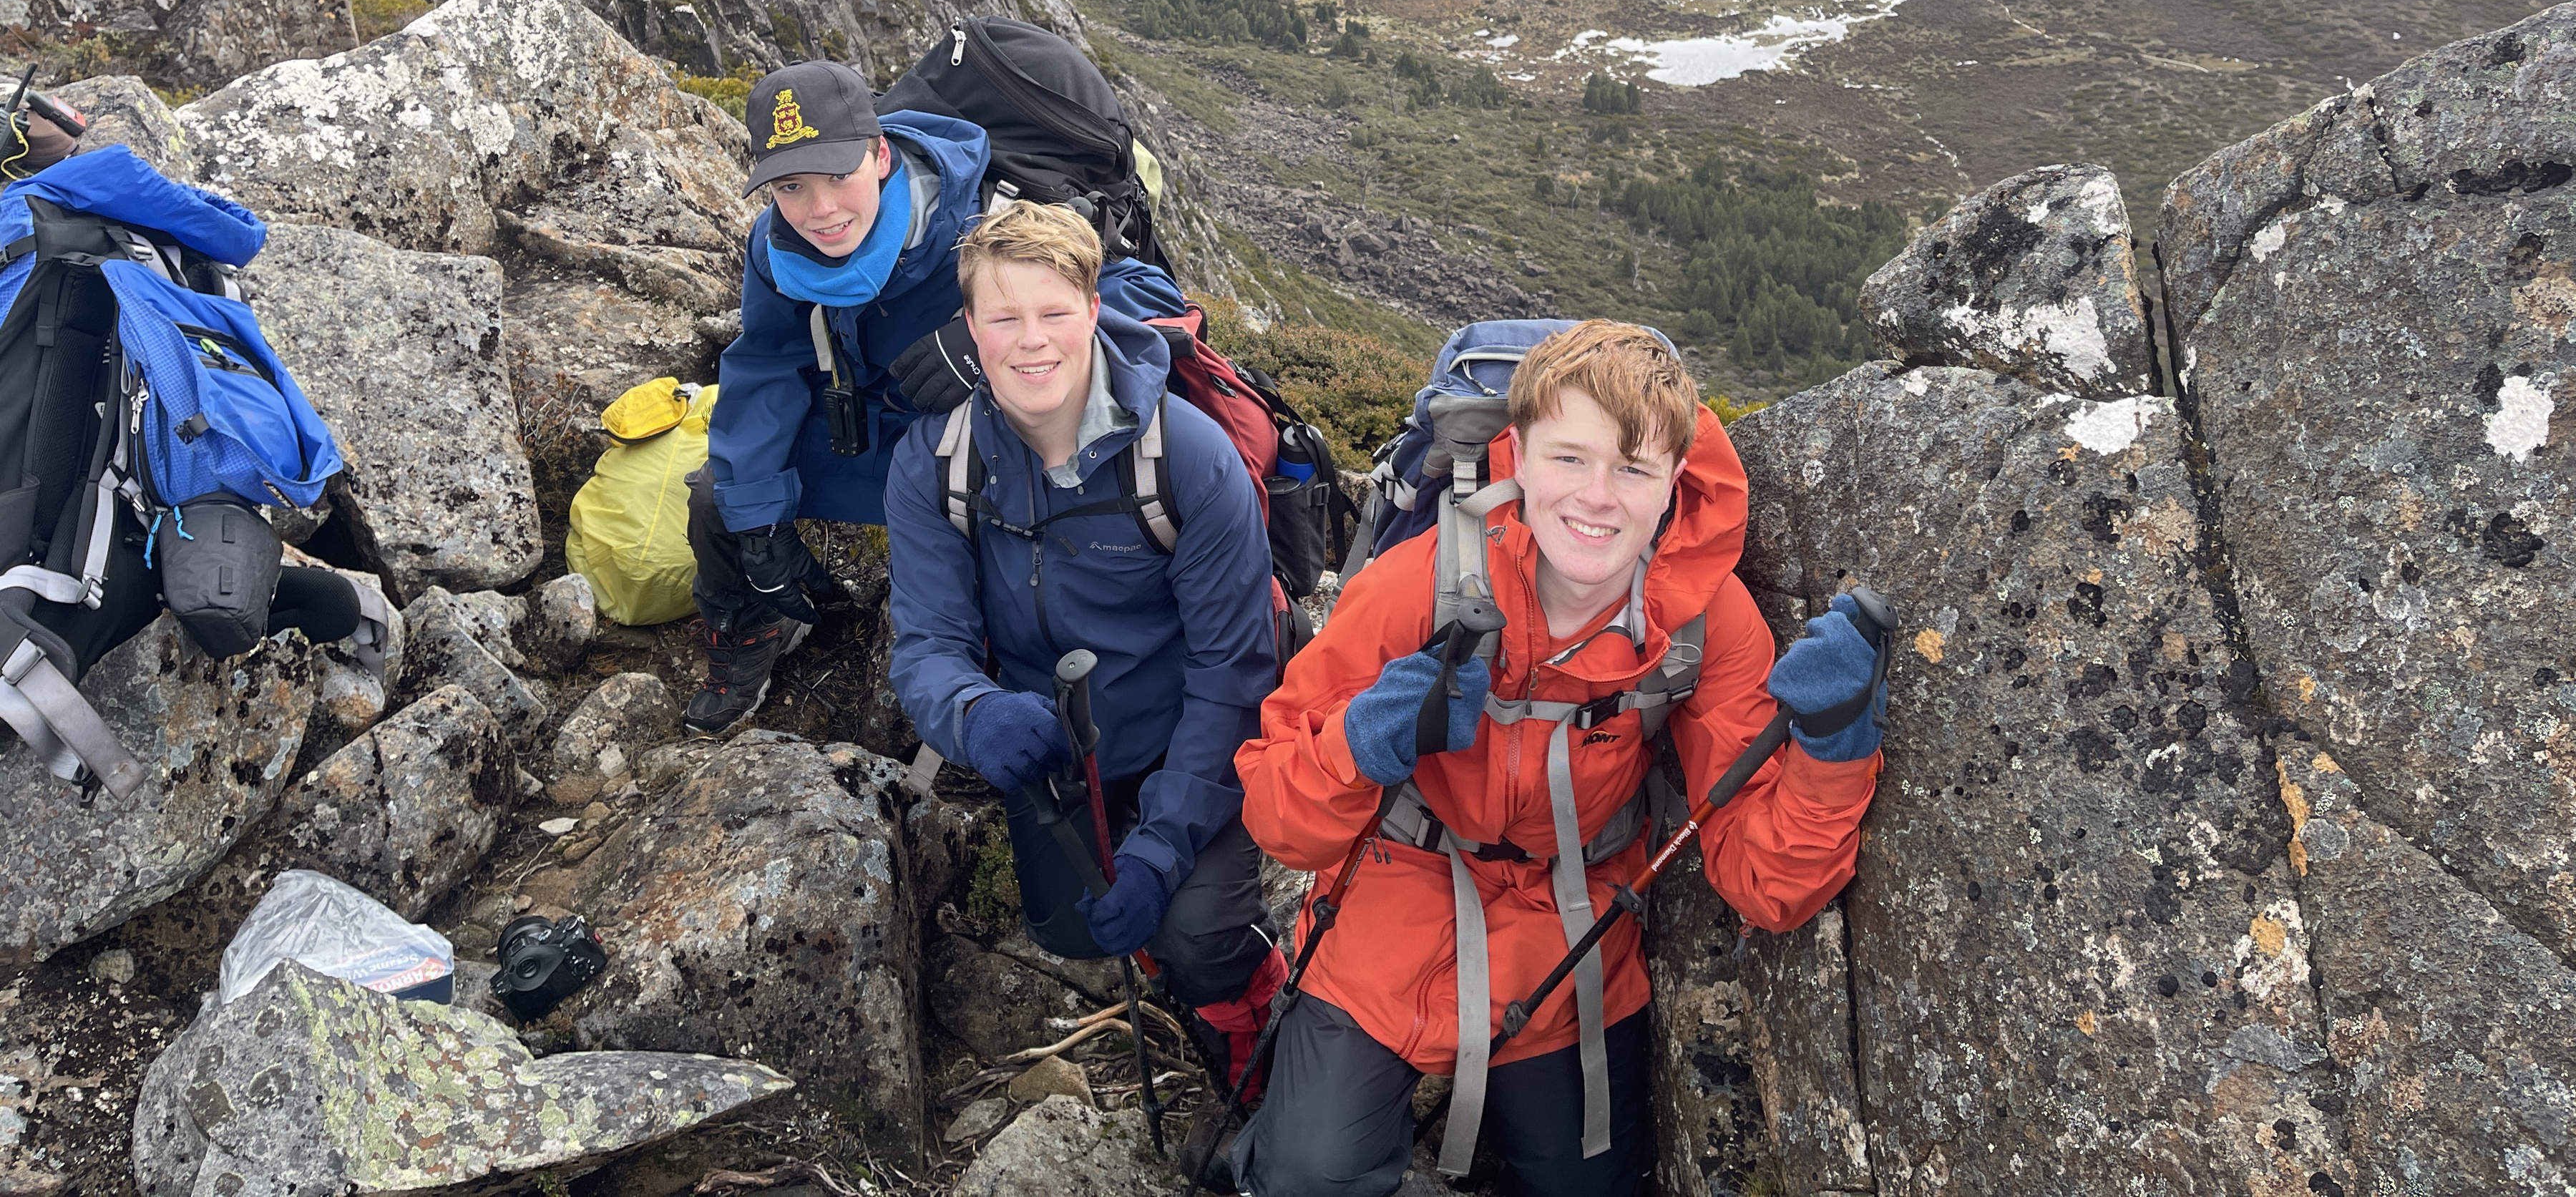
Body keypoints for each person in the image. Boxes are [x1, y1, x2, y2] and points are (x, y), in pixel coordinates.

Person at [1229, 321, 1885, 1197]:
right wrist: (1364, 737)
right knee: (1307, 1177)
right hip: (1386, 907)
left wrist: (1834, 749)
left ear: (1673, 486)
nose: (1599, 497)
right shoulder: (1416, 585)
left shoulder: (1705, 623)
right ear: (1520, 456)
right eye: (1570, 458)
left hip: (1570, 938)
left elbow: (1768, 885)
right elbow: (1278, 818)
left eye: (1634, 468)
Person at [884, 200, 1291, 1090]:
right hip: (1057, 757)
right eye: (1004, 317)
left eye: (1054, 313)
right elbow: (924, 645)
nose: (1032, 342)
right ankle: (1156, 935)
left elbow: (1233, 675)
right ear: (971, 328)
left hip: (1192, 735)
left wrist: (1164, 841)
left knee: (1196, 933)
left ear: (1093, 308)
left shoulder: (1186, 459)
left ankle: (1250, 1026)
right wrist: (973, 711)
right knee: (1069, 931)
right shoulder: (937, 464)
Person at [686, 62, 1183, 734]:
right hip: (866, 438)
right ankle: (753, 626)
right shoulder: (778, 249)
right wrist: (759, 522)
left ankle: (1000, 676)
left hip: (982, 455)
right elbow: (767, 364)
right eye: (792, 186)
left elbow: (1143, 301)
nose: (822, 210)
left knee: (1006, 552)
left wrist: (986, 341)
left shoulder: (989, 214)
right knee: (720, 496)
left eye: (839, 174)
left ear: (882, 154)